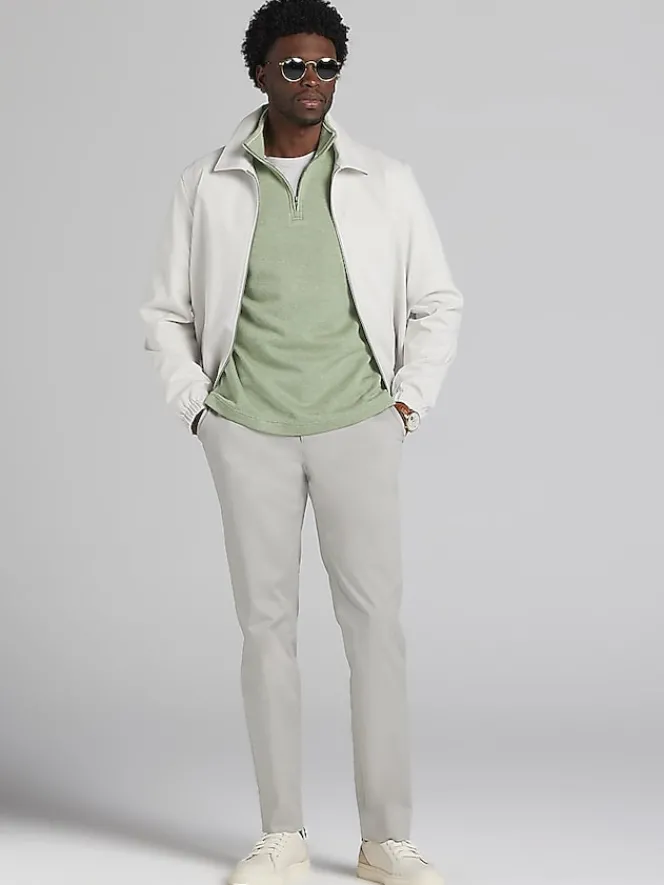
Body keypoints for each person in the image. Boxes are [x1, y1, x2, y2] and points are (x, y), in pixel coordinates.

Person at [140, 1, 463, 883]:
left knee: (377, 629)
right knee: (266, 630)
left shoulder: (384, 180)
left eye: (326, 66)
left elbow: (437, 301)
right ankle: (280, 832)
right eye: (293, 66)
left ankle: (384, 838)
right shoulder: (206, 183)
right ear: (260, 74)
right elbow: (166, 312)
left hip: (359, 423)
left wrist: (405, 404)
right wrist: (199, 410)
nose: (312, 81)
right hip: (247, 429)